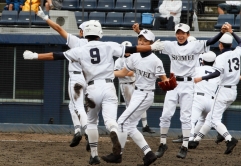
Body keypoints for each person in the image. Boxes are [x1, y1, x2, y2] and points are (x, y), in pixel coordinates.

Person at [23, 20, 164, 165]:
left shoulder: (80, 49)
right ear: (99, 33)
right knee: (111, 120)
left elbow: (56, 55)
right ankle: (113, 130)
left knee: (91, 122)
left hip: (92, 88)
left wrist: (35, 56)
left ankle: (94, 155)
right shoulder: (108, 45)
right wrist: (152, 46)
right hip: (109, 87)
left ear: (86, 34)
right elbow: (133, 49)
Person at [154, 23, 230, 159]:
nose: (180, 35)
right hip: (173, 83)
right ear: (175, 34)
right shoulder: (170, 45)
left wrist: (221, 33)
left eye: (183, 33)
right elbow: (151, 45)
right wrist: (139, 32)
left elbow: (210, 41)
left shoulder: (194, 45)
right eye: (178, 32)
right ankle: (162, 143)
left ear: (188, 34)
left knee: (186, 117)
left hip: (188, 84)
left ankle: (184, 146)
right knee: (165, 115)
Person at [102, 29, 168, 166]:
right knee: (130, 126)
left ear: (151, 43)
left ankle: (117, 154)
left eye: (145, 40)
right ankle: (149, 154)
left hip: (146, 94)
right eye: (140, 39)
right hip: (138, 92)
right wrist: (104, 73)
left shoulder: (156, 61)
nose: (141, 42)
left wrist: (169, 83)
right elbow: (122, 72)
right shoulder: (134, 56)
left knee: (121, 122)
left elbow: (164, 79)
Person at [36, 7, 89, 148]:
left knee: (78, 107)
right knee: (75, 106)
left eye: (81, 30)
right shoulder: (98, 46)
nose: (79, 31)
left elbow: (59, 29)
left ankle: (86, 131)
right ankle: (78, 130)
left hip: (76, 78)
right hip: (90, 80)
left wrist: (44, 17)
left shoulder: (78, 42)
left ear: (84, 32)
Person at [191, 25, 241, 155]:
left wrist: (202, 78)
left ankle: (229, 139)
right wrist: (232, 32)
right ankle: (196, 140)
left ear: (220, 45)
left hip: (223, 91)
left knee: (215, 120)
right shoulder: (236, 52)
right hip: (233, 91)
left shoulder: (220, 58)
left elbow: (216, 74)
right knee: (210, 117)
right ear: (230, 44)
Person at [114, 41, 155, 134]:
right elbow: (117, 74)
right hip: (125, 85)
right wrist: (129, 72)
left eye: (128, 48)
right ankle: (129, 128)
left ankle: (145, 125)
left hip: (135, 83)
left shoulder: (134, 58)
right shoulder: (119, 60)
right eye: (125, 48)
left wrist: (130, 72)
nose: (127, 51)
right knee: (130, 107)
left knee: (140, 105)